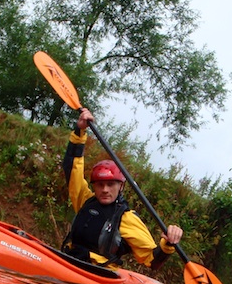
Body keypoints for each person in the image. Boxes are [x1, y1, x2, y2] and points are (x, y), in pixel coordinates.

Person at [61, 108, 183, 270]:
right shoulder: (85, 200)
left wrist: (168, 244)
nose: (105, 189)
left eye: (111, 184)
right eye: (100, 184)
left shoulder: (126, 218)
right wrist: (80, 131)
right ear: (94, 186)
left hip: (98, 274)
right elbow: (72, 168)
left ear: (121, 186)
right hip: (69, 261)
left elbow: (151, 260)